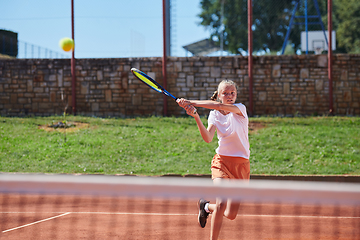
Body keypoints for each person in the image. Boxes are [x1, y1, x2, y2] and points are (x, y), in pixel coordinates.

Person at [177, 79, 250, 240]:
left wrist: (190, 102)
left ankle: (206, 206)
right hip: (221, 163)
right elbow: (208, 138)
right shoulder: (214, 115)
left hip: (241, 166)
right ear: (219, 95)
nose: (230, 96)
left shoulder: (240, 109)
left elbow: (219, 106)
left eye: (233, 93)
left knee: (230, 214)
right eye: (225, 93)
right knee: (222, 202)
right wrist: (195, 115)